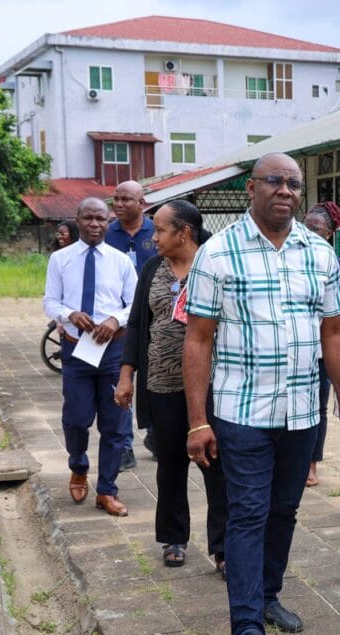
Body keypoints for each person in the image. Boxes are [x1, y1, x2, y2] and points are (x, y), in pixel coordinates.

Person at [184, 153, 340, 635]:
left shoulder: (318, 253)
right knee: (247, 513)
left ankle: (268, 596)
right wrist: (197, 420)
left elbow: (334, 333)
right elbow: (198, 340)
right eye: (275, 181)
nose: (285, 190)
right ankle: (246, 625)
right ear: (252, 188)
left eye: (294, 183)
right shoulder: (217, 253)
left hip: (300, 412)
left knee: (284, 511)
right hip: (240, 410)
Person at [115, 201, 228, 573]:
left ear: (184, 232)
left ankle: (223, 546)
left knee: (217, 467)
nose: (154, 236)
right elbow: (136, 324)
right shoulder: (151, 269)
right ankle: (174, 538)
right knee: (170, 465)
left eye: (160, 229)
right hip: (161, 384)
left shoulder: (215, 265)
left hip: (212, 385)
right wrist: (126, 374)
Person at [43, 197, 137, 516]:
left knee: (115, 424)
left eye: (101, 219)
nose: (95, 224)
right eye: (88, 218)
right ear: (78, 219)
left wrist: (115, 320)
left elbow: (134, 304)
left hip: (112, 352)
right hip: (75, 349)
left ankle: (107, 490)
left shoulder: (121, 261)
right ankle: (79, 467)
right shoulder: (60, 259)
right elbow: (50, 302)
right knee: (76, 419)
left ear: (109, 222)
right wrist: (70, 313)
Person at [105, 180, 157, 471]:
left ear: (142, 204)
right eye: (116, 199)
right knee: (121, 380)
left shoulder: (157, 231)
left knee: (156, 379)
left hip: (156, 319)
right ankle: (124, 446)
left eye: (126, 199)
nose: (120, 204)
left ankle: (155, 435)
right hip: (120, 322)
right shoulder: (107, 233)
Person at [301, 201, 340, 488]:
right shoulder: (292, 264)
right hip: (298, 348)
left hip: (325, 352)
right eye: (304, 227)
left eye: (315, 229)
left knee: (318, 407)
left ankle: (311, 465)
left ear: (330, 233)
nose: (308, 234)